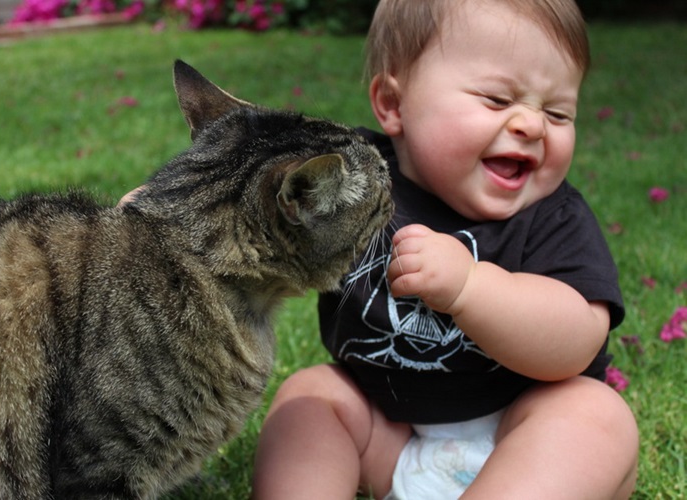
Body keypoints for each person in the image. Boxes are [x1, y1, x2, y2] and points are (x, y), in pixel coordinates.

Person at [251, 0, 639, 498]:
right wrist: (167, 223)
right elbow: (265, 205)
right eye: (498, 100)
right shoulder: (354, 183)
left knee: (595, 417)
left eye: (558, 112)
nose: (532, 125)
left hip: (522, 440)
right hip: (387, 429)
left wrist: (470, 287)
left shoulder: (554, 216)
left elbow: (578, 339)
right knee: (309, 398)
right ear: (394, 105)